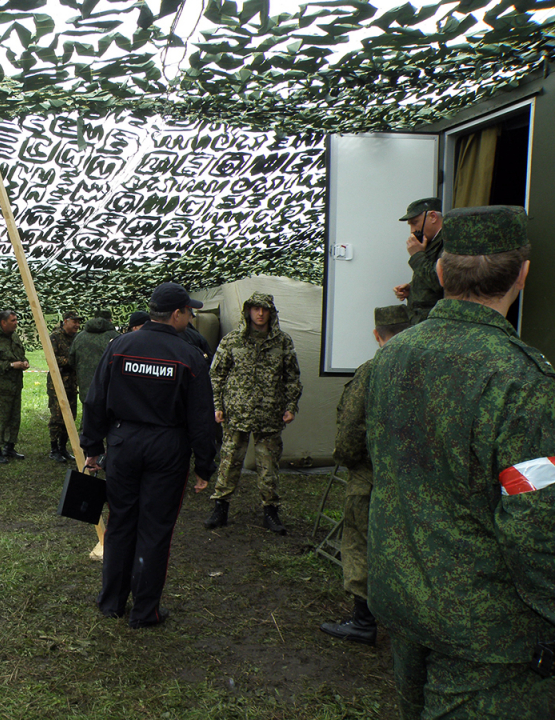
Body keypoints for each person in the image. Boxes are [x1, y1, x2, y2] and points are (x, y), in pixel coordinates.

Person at [367, 205, 555, 718]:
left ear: (442, 272)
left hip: (404, 596)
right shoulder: (521, 381)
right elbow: (536, 522)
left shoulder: (392, 355)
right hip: (485, 630)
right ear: (523, 272)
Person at [81, 282, 216, 629]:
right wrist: (204, 465)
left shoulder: (120, 347)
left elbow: (95, 400)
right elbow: (201, 417)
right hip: (167, 449)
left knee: (121, 522)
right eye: (189, 311)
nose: (190, 316)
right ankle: (145, 611)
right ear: (176, 314)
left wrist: (93, 449)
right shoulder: (188, 356)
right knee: (155, 530)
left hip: (123, 444)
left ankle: (110, 602)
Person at [319, 305, 409, 646]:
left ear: (377, 335)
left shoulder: (372, 371)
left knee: (360, 540)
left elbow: (351, 428)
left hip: (371, 476)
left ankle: (363, 621)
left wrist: (348, 459)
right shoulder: (432, 370)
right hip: (418, 480)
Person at [204, 292, 302, 535]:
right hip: (236, 413)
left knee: (268, 466)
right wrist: (217, 405)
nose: (260, 314)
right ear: (247, 311)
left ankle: (270, 511)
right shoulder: (233, 340)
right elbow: (217, 374)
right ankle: (220, 508)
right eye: (255, 309)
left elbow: (292, 376)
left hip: (269, 415)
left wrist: (290, 406)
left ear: (271, 312)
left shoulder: (282, 342)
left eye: (265, 309)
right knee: (228, 463)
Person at [0, 310, 29, 464]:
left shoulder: (14, 337)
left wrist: (24, 362)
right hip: (1, 388)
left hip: (16, 386)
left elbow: (20, 354)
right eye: (13, 320)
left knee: (14, 418)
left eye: (16, 320)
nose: (16, 323)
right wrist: (10, 365)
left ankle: (10, 447)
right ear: (3, 322)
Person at [392, 197, 444, 325]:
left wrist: (417, 255)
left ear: (432, 217)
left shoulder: (448, 243)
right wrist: (413, 288)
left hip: (435, 321)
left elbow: (439, 282)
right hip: (423, 320)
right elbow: (429, 275)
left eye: (415, 222)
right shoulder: (431, 242)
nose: (412, 230)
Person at [47, 311, 82, 463]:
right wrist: (72, 360)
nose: (77, 325)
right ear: (66, 321)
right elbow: (52, 358)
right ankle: (54, 448)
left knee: (71, 416)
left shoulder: (77, 338)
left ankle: (63, 447)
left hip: (72, 383)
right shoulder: (55, 337)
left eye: (78, 322)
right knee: (57, 417)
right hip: (58, 382)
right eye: (74, 322)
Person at [70, 309, 119, 409]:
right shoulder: (117, 337)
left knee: (87, 419)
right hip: (109, 391)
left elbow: (71, 361)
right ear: (110, 321)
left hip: (86, 391)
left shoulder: (80, 337)